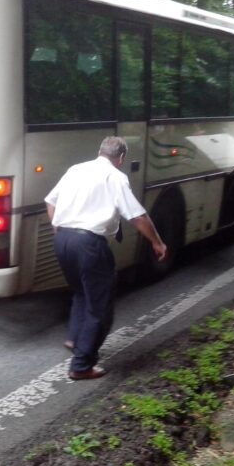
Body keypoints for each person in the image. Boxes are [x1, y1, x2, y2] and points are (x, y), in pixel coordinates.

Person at [45, 136, 167, 381]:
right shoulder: (116, 177)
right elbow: (136, 215)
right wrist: (157, 241)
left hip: (63, 239)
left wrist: (57, 227)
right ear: (120, 158)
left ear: (100, 152)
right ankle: (81, 366)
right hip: (89, 243)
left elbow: (50, 200)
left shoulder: (76, 169)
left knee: (81, 291)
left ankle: (75, 338)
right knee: (100, 307)